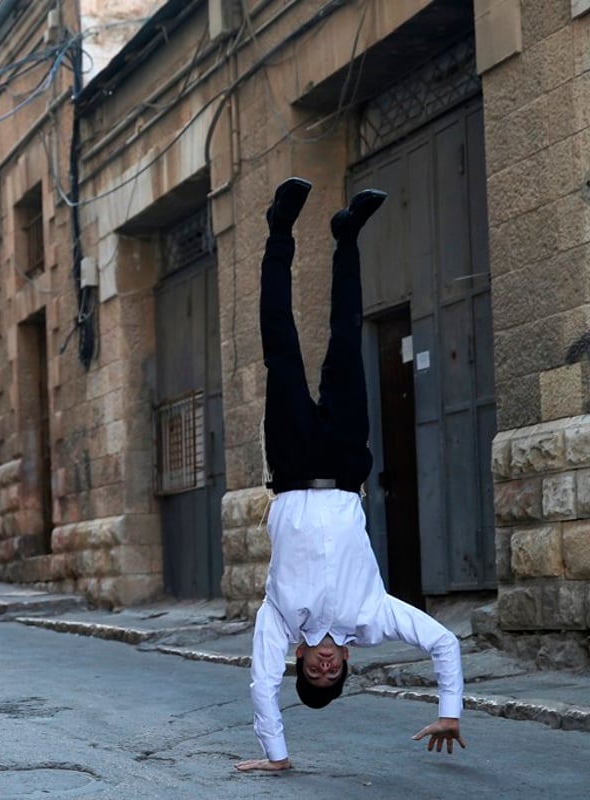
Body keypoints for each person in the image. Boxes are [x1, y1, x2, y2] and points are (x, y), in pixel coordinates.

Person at [235, 179, 466, 772]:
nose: (324, 669)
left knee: (280, 347)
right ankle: (347, 237)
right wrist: (449, 709)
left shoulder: (278, 620)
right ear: (345, 670)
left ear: (303, 662)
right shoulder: (375, 614)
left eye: (313, 673)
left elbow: (261, 685)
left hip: (289, 467)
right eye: (331, 676)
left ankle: (280, 229)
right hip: (341, 464)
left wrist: (276, 756)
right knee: (345, 342)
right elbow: (444, 641)